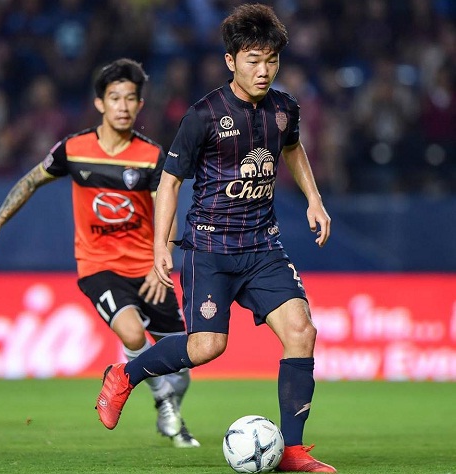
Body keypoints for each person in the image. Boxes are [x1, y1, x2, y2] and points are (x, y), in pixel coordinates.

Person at [95, 5, 336, 472]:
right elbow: (170, 181)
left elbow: (292, 149)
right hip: (210, 248)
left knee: (302, 332)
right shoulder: (204, 115)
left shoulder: (284, 109)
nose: (263, 71)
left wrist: (314, 199)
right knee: (207, 347)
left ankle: (292, 451)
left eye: (271, 60)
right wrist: (161, 245)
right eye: (253, 60)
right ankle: (124, 374)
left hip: (262, 246)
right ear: (231, 61)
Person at [0, 58, 200, 448]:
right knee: (131, 332)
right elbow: (30, 181)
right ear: (99, 103)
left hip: (147, 269)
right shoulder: (75, 149)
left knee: (183, 362)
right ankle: (163, 403)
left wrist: (160, 260)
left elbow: (167, 210)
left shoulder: (150, 156)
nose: (123, 106)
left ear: (140, 105)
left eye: (130, 98)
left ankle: (170, 401)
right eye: (115, 98)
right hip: (98, 267)